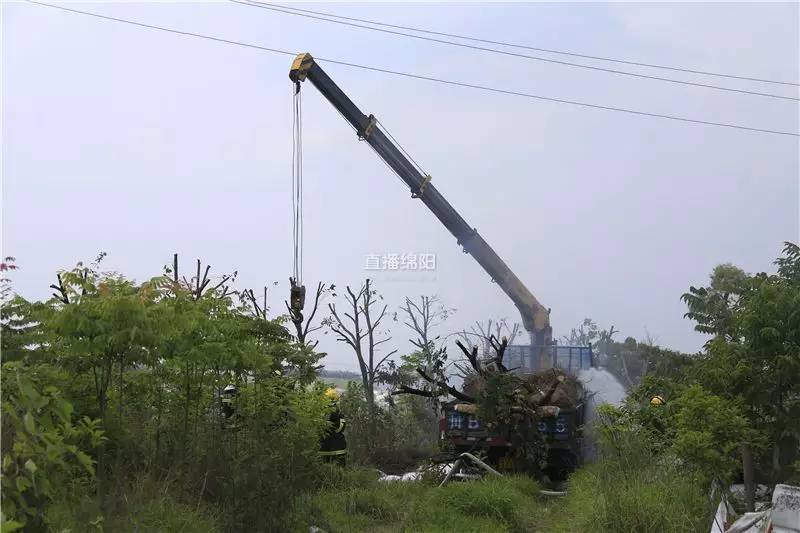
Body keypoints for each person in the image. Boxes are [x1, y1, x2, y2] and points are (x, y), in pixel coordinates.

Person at [320, 388, 347, 466]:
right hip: (338, 448)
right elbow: (341, 429)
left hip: (324, 447)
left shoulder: (320, 412)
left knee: (324, 471)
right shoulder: (337, 414)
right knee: (339, 471)